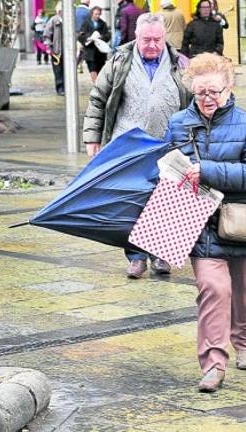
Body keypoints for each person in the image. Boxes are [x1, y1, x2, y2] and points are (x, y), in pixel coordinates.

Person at [164, 52, 246, 392]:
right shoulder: (178, 122)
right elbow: (167, 167)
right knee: (213, 289)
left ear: (229, 88)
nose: (207, 99)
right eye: (200, 93)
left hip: (241, 218)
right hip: (199, 221)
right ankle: (213, 364)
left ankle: (243, 340)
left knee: (244, 292)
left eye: (214, 92)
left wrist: (206, 170)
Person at [82, 12, 191, 279]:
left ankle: (162, 254)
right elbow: (98, 99)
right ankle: (136, 257)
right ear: (136, 37)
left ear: (164, 37)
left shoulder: (180, 63)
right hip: (128, 146)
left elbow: (196, 100)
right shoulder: (119, 61)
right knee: (132, 204)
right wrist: (92, 138)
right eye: (146, 40)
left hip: (169, 145)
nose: (152, 45)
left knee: (169, 201)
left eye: (157, 39)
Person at [78, 6, 111, 83]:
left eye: (99, 14)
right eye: (96, 14)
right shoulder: (86, 23)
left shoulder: (103, 24)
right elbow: (80, 36)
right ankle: (96, 87)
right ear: (92, 14)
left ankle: (99, 86)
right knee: (92, 69)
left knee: (100, 70)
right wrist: (88, 38)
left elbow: (108, 35)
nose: (97, 16)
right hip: (89, 51)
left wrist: (101, 37)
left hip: (100, 52)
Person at [43, 3, 65, 96]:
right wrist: (48, 47)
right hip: (56, 50)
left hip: (67, 50)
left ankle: (67, 86)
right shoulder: (53, 20)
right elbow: (47, 34)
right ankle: (60, 88)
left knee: (66, 70)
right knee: (58, 70)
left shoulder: (69, 20)